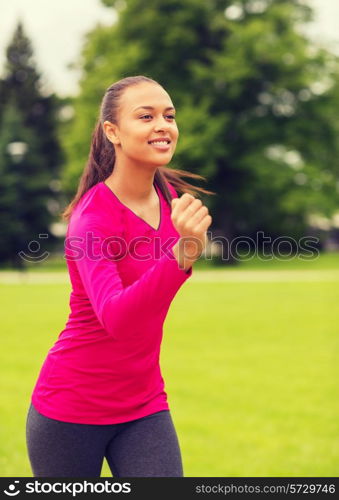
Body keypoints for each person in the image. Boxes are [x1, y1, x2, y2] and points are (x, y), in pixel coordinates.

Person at [26, 75, 214, 478]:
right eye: (145, 116)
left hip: (143, 403)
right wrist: (183, 254)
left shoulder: (169, 202)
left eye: (169, 115)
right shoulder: (92, 219)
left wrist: (185, 251)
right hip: (71, 407)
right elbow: (118, 318)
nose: (163, 125)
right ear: (113, 131)